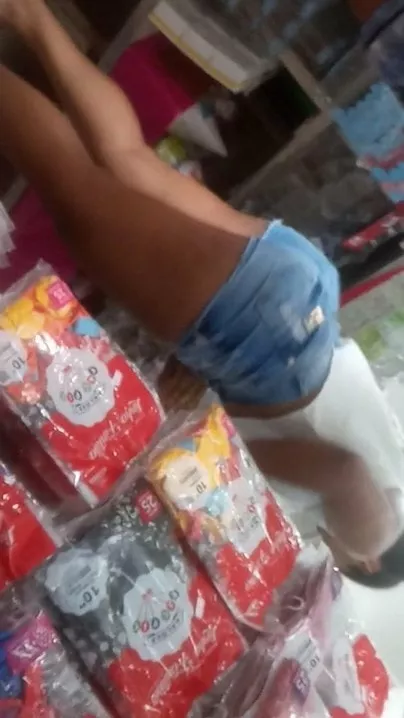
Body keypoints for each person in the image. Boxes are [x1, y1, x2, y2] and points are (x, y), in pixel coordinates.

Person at [0, 0, 403, 572]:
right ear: (367, 567)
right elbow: (342, 472)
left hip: (299, 294)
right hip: (258, 335)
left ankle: (29, 16)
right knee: (74, 190)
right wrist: (223, 450)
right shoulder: (377, 537)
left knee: (127, 161)